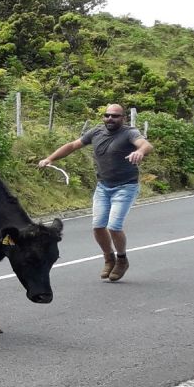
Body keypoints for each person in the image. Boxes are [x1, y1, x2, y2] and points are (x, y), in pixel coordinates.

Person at [39, 104, 153, 282]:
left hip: (125, 187)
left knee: (114, 226)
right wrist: (50, 158)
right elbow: (72, 145)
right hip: (103, 187)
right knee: (98, 227)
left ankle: (122, 260)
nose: (110, 119)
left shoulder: (129, 132)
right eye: (107, 115)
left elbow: (146, 145)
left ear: (123, 118)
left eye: (115, 116)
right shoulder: (96, 132)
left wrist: (139, 152)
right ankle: (109, 258)